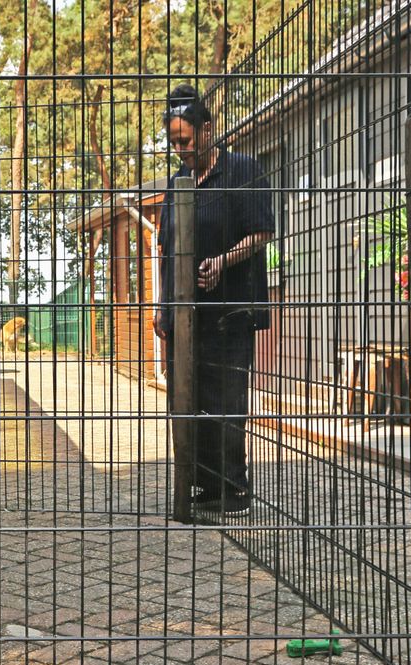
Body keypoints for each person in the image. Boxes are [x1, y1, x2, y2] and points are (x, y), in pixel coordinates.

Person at [153, 84, 275, 518]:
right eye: (173, 143)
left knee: (225, 403)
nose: (180, 149)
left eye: (185, 140)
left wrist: (224, 261)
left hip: (229, 314)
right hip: (186, 318)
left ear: (207, 131)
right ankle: (200, 485)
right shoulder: (178, 183)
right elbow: (168, 249)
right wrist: (163, 309)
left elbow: (262, 231)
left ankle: (233, 489)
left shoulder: (242, 170)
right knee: (188, 402)